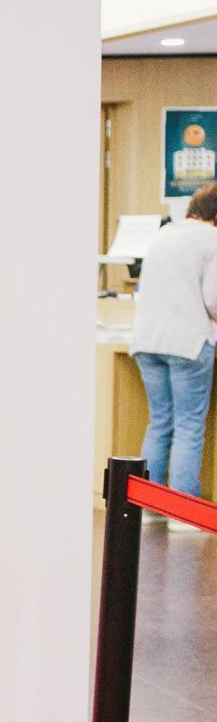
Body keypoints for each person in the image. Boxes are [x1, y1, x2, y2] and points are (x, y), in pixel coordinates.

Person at [130, 180, 217, 527]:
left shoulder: (164, 235)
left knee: (160, 421)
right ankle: (183, 513)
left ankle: (148, 508)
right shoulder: (211, 239)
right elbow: (213, 299)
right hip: (186, 343)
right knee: (188, 426)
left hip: (147, 342)